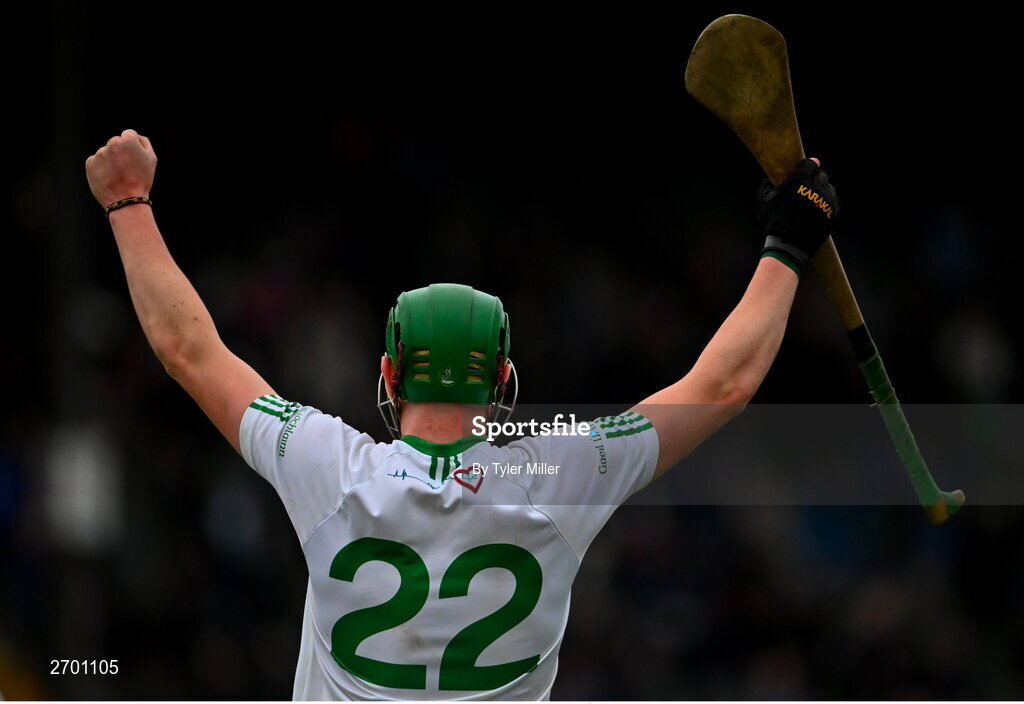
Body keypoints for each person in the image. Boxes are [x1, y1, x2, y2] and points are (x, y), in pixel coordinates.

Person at [85, 129, 838, 700]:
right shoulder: (562, 475)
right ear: (503, 379)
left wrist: (128, 203)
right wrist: (788, 247)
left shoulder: (324, 464)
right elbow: (723, 385)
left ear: (389, 373)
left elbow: (189, 350)